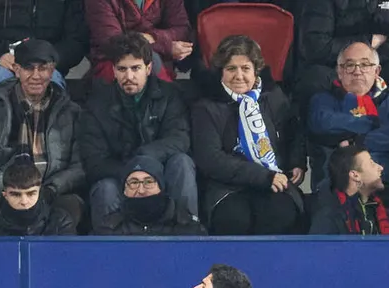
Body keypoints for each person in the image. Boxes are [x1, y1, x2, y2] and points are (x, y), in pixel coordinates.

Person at [191, 36, 306, 235]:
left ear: (256, 71)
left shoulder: (273, 96)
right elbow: (211, 160)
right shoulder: (206, 107)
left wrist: (297, 161)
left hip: (274, 180)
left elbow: (292, 132)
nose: (239, 76)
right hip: (227, 187)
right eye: (231, 69)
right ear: (220, 72)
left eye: (245, 68)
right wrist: (262, 176)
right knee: (234, 220)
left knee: (280, 215)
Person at [82, 32, 197, 225]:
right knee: (105, 189)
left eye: (136, 68)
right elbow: (94, 162)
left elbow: (180, 139)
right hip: (119, 175)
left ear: (149, 67)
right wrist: (133, 174)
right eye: (122, 69)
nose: (129, 76)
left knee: (182, 163)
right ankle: (108, 250)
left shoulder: (170, 95)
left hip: (160, 170)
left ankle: (188, 231)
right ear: (114, 70)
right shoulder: (97, 104)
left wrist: (145, 160)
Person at [308, 41, 389, 231]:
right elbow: (323, 125)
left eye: (365, 64)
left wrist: (355, 142)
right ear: (339, 71)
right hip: (336, 188)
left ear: (377, 71)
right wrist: (371, 123)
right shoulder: (322, 101)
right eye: (349, 65)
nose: (357, 71)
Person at [0, 39, 87, 227]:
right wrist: (12, 189)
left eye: (43, 69)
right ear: (17, 69)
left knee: (71, 207)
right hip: (7, 191)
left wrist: (49, 190)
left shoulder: (71, 111)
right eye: (28, 68)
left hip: (52, 189)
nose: (36, 76)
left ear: (52, 72)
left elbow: (79, 167)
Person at [0, 1, 86, 99]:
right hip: (3, 65)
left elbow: (76, 40)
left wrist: (52, 58)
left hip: (47, 65)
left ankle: (44, 132)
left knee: (53, 84)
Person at [84, 0, 193, 83]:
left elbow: (182, 30)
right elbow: (111, 41)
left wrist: (153, 38)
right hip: (113, 65)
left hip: (160, 67)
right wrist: (164, 45)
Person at [93, 156, 206, 235]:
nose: (141, 190)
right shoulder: (108, 228)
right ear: (124, 191)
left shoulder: (186, 225)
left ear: (160, 188)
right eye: (134, 183)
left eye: (148, 182)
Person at [309, 144, 389, 235]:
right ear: (355, 175)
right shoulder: (328, 219)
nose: (380, 168)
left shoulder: (386, 215)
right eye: (372, 164)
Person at [0, 162, 81, 236]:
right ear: (5, 195)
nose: (24, 201)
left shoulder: (60, 222)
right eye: (16, 195)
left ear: (39, 192)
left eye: (31, 194)